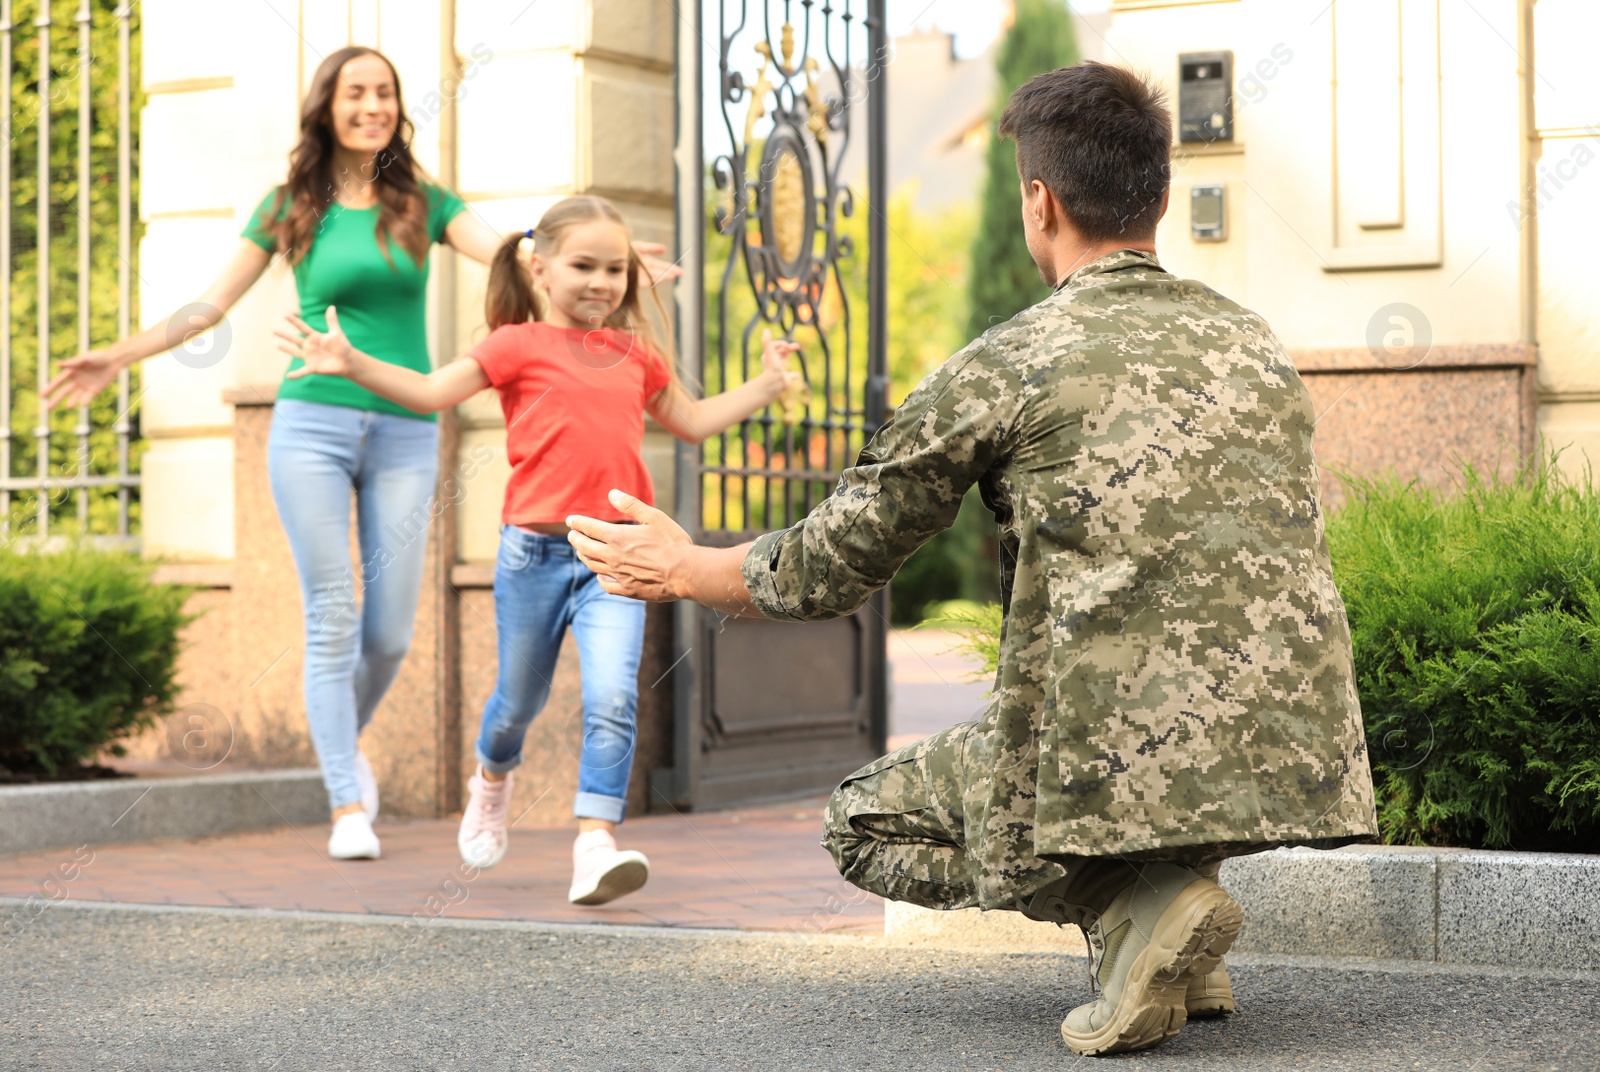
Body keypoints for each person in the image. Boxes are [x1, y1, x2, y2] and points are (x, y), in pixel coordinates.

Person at [561, 62, 1379, 1056]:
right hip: (1286, 753)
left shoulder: (1009, 361)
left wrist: (686, 566)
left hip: (1119, 748)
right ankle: (1175, 934)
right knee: (1138, 706)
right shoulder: (1254, 344)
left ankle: (1135, 904)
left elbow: (837, 559)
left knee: (863, 821)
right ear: (1158, 197)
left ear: (1038, 202)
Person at [42, 45, 681, 863]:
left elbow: (515, 251)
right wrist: (118, 357)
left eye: (384, 93)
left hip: (407, 430)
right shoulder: (289, 206)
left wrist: (622, 271)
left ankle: (346, 746)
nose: (372, 105)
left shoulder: (422, 202)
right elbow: (211, 304)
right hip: (312, 423)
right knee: (333, 616)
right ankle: (348, 798)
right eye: (355, 93)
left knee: (388, 635)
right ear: (327, 107)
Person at [277, 194, 802, 905]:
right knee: (514, 705)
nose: (602, 282)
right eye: (584, 265)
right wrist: (349, 362)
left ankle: (595, 843)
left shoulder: (636, 355)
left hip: (616, 558)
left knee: (614, 696)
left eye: (616, 269)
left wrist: (767, 384)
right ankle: (491, 781)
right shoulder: (513, 345)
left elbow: (694, 420)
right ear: (542, 269)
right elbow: (431, 393)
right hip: (531, 556)